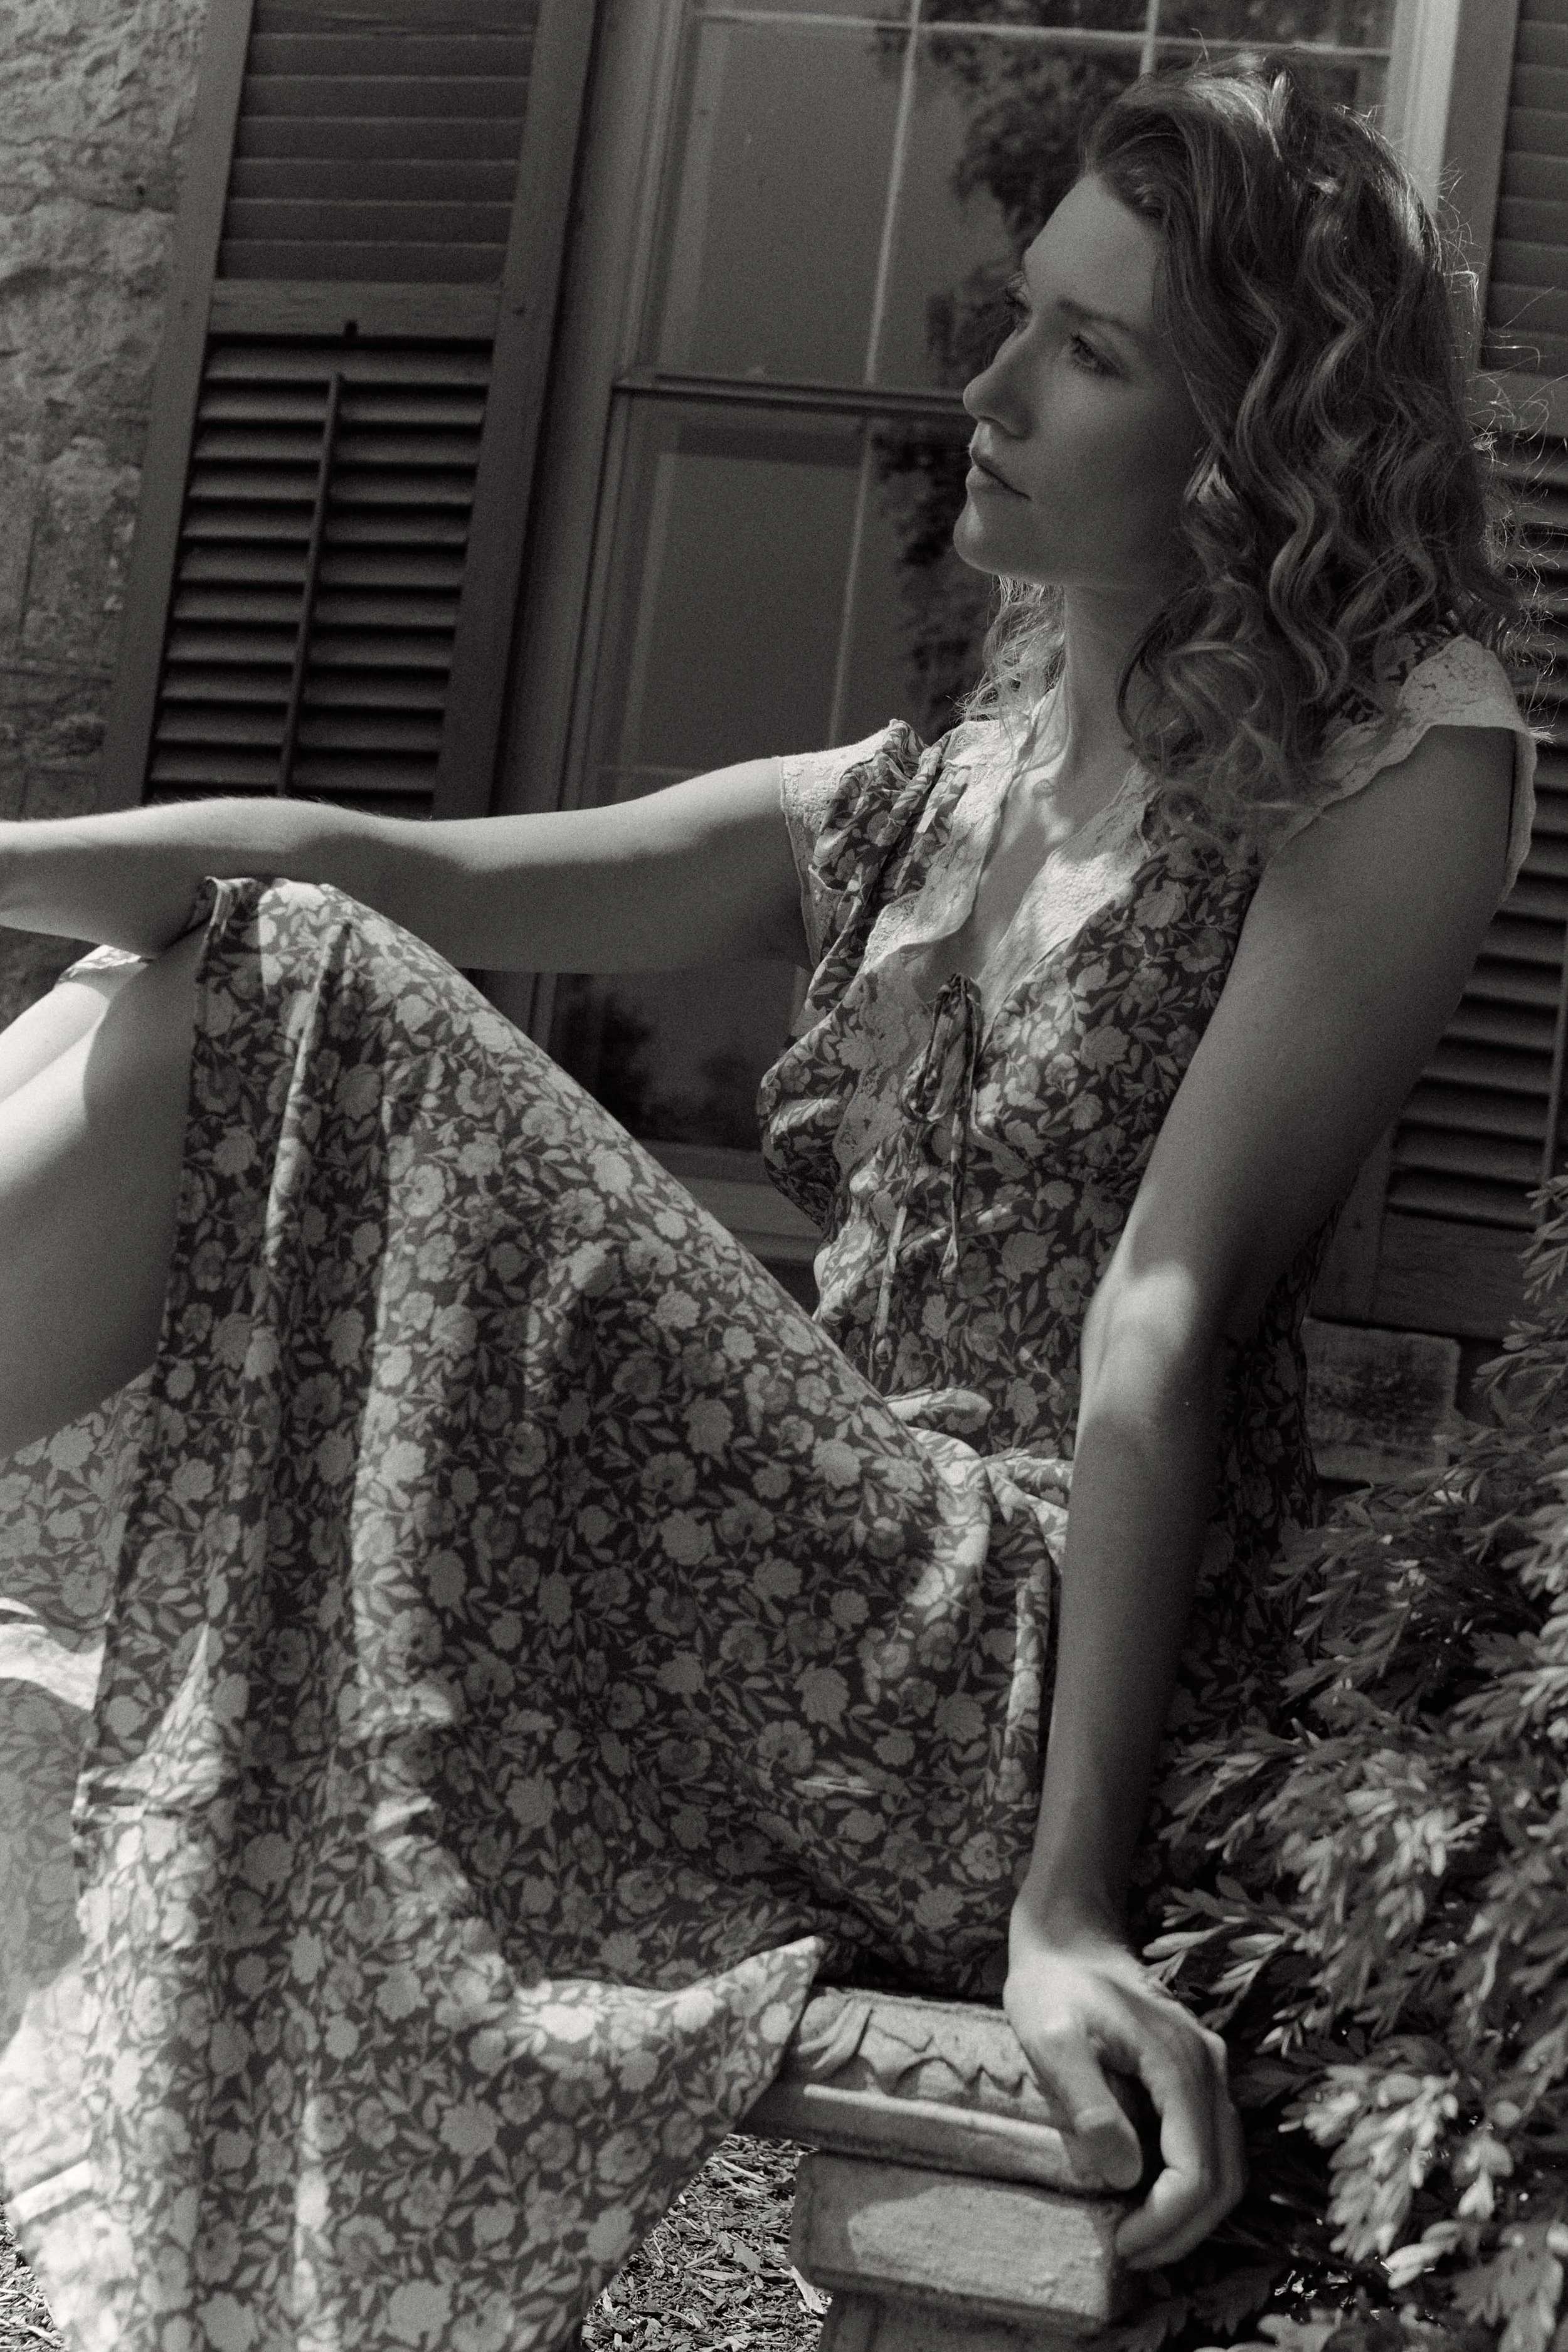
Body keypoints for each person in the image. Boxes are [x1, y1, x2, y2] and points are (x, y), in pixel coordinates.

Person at [0, 60, 1536, 2352]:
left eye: (1091, 355)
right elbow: (380, 852)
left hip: (1003, 1651)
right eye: (1017, 316)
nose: (987, 388)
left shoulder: (1401, 760)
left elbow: (1164, 1322)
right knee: (198, 956)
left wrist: (1065, 1904)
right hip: (808, 1586)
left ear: (1254, 441)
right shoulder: (939, 788)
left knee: (292, 993)